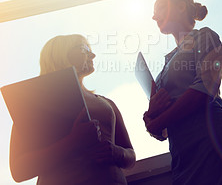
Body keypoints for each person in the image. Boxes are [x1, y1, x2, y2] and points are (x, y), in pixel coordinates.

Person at [142, 0, 222, 185]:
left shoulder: (205, 36)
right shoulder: (167, 62)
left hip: (214, 141)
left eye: (160, 8)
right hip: (183, 153)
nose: (154, 16)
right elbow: (161, 127)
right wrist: (152, 116)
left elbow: (204, 89)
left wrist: (157, 121)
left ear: (181, 7)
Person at [9, 34, 136, 185]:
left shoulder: (107, 104)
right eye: (85, 49)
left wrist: (116, 152)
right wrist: (71, 141)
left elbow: (130, 156)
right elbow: (19, 170)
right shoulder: (35, 106)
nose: (93, 54)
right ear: (61, 54)